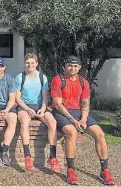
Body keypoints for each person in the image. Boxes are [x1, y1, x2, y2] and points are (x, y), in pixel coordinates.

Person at [51, 55, 115, 185]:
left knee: (100, 134)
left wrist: (84, 120)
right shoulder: (58, 80)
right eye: (70, 65)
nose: (72, 68)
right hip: (62, 112)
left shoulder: (83, 82)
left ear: (79, 67)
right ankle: (71, 170)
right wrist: (74, 121)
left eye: (75, 66)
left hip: (79, 112)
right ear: (65, 66)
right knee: (71, 132)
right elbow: (57, 104)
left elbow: (85, 103)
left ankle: (104, 170)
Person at [15, 53, 59, 172]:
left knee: (52, 122)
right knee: (24, 122)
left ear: (36, 64)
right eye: (28, 63)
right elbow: (17, 98)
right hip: (24, 106)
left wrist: (43, 108)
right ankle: (27, 156)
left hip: (40, 106)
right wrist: (27, 109)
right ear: (25, 64)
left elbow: (45, 96)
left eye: (32, 63)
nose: (30, 65)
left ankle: (53, 157)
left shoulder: (42, 77)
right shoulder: (20, 77)